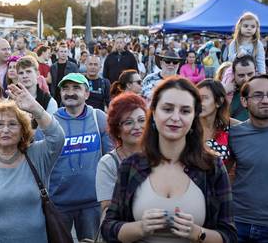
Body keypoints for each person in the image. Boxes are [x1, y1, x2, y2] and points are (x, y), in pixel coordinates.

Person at [101, 76, 236, 243]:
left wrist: (197, 233)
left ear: (194, 117)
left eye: (185, 111)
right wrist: (140, 228)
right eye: (167, 109)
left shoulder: (211, 166)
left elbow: (229, 235)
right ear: (154, 112)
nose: (175, 117)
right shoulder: (132, 165)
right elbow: (108, 228)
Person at [0, 83, 65, 242]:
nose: (6, 130)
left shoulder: (36, 155)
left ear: (23, 131)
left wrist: (36, 109)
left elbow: (57, 138)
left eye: (12, 124)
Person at [51, 73, 114, 241]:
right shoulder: (51, 122)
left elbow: (111, 157)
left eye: (76, 88)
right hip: (59, 203)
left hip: (92, 203)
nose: (70, 93)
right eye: (65, 88)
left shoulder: (99, 117)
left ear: (87, 94)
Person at [228, 74, 268, 242]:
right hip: (238, 223)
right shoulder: (234, 135)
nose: (265, 100)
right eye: (258, 95)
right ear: (244, 102)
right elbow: (224, 174)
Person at [96, 92, 146, 216]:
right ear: (117, 130)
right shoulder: (109, 163)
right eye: (128, 122)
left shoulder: (159, 155)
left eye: (141, 120)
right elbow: (107, 210)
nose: (137, 127)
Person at [197, 79, 240, 164]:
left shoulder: (232, 126)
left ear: (219, 102)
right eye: (197, 98)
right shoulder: (188, 126)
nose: (199, 103)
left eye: (205, 98)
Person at [227, 55, 256, 121]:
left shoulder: (265, 90)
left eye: (250, 74)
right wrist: (223, 91)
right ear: (233, 74)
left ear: (255, 71)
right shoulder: (227, 94)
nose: (246, 79)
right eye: (241, 75)